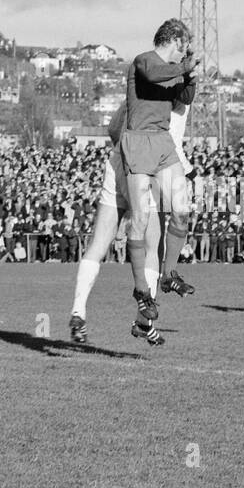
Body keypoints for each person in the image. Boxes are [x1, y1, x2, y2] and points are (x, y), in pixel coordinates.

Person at [119, 19, 199, 330]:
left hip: (163, 141)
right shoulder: (144, 61)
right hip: (138, 141)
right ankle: (142, 291)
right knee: (140, 219)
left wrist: (192, 75)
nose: (184, 51)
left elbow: (185, 98)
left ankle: (168, 275)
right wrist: (184, 67)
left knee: (182, 210)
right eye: (184, 44)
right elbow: (155, 73)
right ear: (174, 39)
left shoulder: (173, 70)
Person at [68, 110, 164, 345]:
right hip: (144, 163)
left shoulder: (132, 94)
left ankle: (78, 310)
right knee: (153, 247)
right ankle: (143, 321)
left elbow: (112, 128)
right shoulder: (168, 92)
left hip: (118, 159)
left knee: (99, 243)